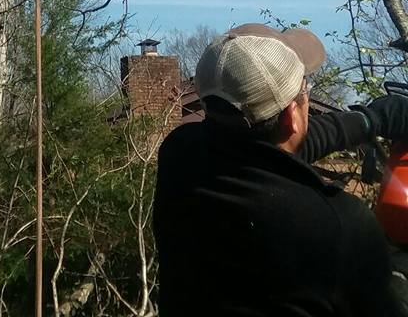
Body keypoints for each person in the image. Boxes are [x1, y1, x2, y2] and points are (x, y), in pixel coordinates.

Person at [153, 22, 408, 316]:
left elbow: (273, 148)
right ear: (293, 115)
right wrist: (399, 268)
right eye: (305, 89)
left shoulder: (180, 155)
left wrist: (370, 119)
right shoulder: (338, 227)